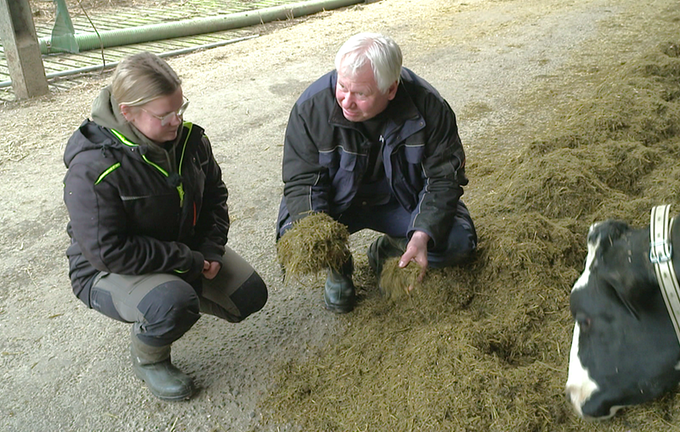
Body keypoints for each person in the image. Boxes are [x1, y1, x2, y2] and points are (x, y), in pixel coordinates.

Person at [63, 52, 268, 401]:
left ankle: (174, 298)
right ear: (128, 112)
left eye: (180, 108)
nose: (177, 121)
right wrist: (189, 262)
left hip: (181, 250)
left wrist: (210, 249)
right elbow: (109, 251)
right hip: (107, 270)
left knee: (249, 296)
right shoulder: (93, 168)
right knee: (173, 303)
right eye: (165, 115)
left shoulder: (190, 141)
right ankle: (150, 358)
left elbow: (215, 196)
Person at [277, 32, 477, 314]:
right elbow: (303, 179)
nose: (346, 101)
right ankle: (338, 266)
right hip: (338, 203)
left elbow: (444, 179)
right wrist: (320, 239)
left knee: (458, 242)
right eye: (342, 86)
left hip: (400, 200)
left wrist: (422, 235)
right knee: (297, 236)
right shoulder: (310, 108)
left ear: (391, 89)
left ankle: (389, 248)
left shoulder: (429, 106)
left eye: (361, 94)